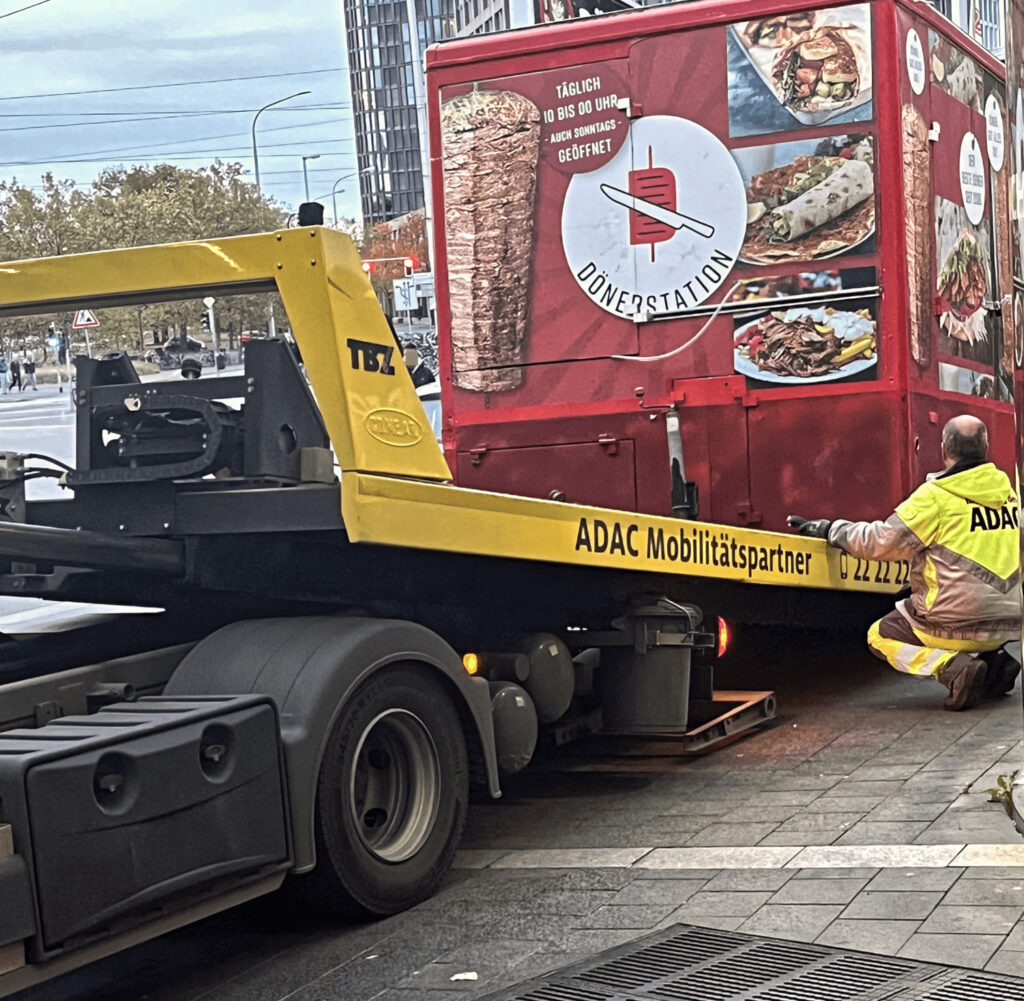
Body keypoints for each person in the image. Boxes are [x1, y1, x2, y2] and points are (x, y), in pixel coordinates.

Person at [789, 415, 1022, 711]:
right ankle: (996, 664)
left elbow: (881, 541)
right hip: (1010, 621)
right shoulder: (1007, 492)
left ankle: (952, 668)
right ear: (985, 448)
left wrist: (830, 530)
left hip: (955, 622)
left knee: (880, 635)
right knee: (956, 607)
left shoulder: (935, 497)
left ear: (943, 450)